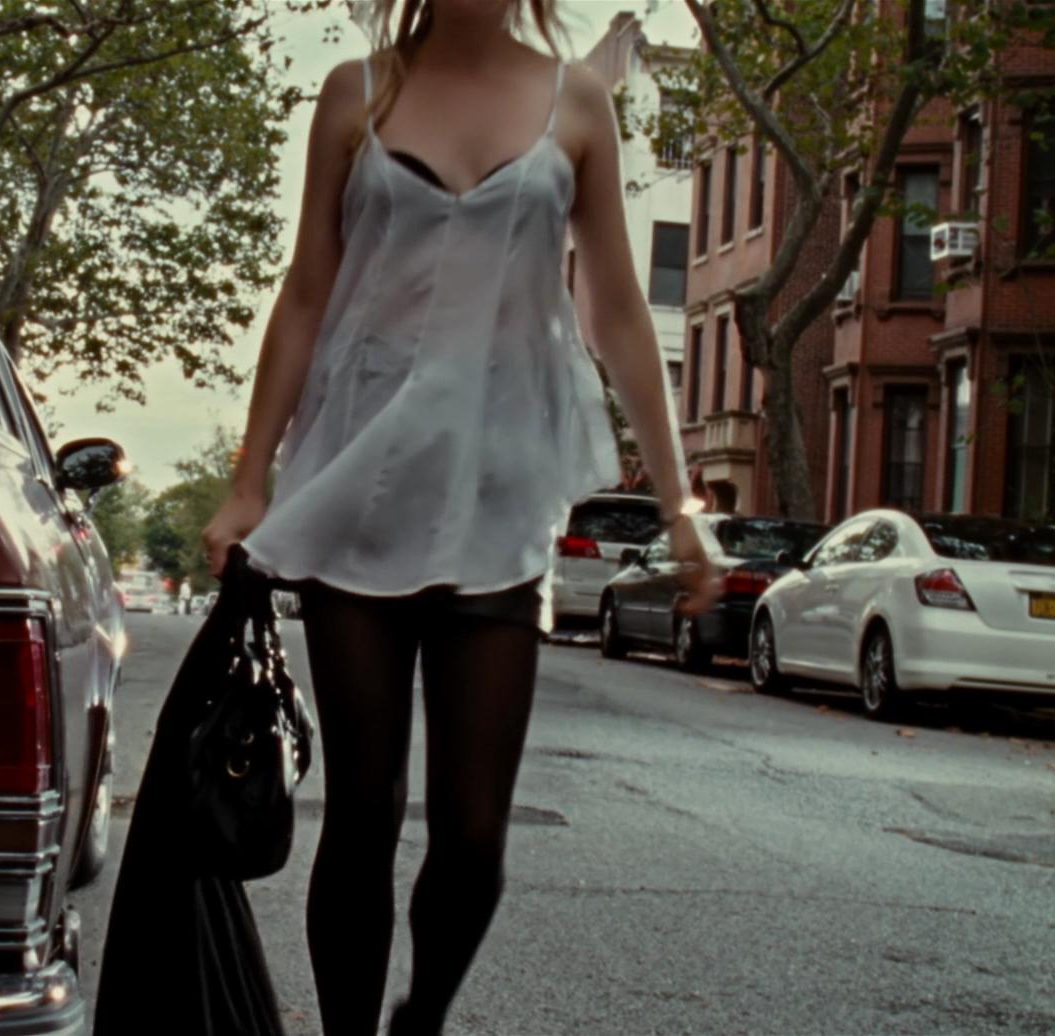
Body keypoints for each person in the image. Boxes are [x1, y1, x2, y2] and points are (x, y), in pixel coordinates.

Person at [200, 2, 721, 1034]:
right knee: (363, 813)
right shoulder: (357, 93)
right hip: (363, 489)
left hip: (497, 496)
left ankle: (421, 1019)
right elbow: (306, 293)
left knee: (475, 834)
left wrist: (680, 505)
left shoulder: (578, 101)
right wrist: (250, 476)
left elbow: (618, 309)